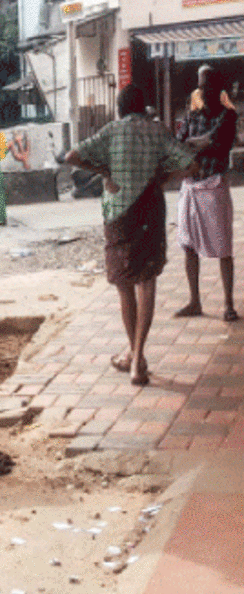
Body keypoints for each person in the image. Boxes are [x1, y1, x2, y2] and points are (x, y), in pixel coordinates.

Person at [66, 83, 199, 385]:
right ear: (144, 107)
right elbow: (192, 165)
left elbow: (72, 155)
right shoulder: (158, 130)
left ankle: (134, 355)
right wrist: (163, 178)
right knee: (147, 283)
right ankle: (137, 358)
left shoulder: (112, 131)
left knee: (124, 284)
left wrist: (105, 173)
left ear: (120, 106)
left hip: (118, 215)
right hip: (150, 210)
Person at [175, 65, 239, 321]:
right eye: (201, 85)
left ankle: (228, 304)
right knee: (188, 245)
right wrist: (201, 144)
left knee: (223, 247)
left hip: (213, 186)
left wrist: (195, 146)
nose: (204, 90)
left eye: (208, 85)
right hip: (191, 186)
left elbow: (220, 144)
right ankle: (195, 301)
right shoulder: (192, 116)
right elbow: (179, 146)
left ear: (218, 88)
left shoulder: (228, 115)